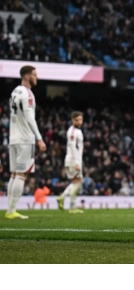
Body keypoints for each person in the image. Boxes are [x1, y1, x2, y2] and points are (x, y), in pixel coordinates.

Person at [5, 65, 46, 219]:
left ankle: (10, 210)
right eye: (35, 75)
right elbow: (29, 118)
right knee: (21, 175)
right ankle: (11, 211)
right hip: (24, 139)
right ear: (27, 76)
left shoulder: (15, 91)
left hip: (13, 138)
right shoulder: (28, 94)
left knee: (14, 174)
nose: (37, 77)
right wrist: (39, 138)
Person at [56, 111, 85, 214]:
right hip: (73, 160)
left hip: (75, 160)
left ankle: (63, 199)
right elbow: (73, 148)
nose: (79, 122)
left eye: (80, 119)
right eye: (77, 120)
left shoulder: (78, 131)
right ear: (72, 120)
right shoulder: (72, 132)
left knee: (75, 183)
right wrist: (77, 162)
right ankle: (70, 205)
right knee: (78, 182)